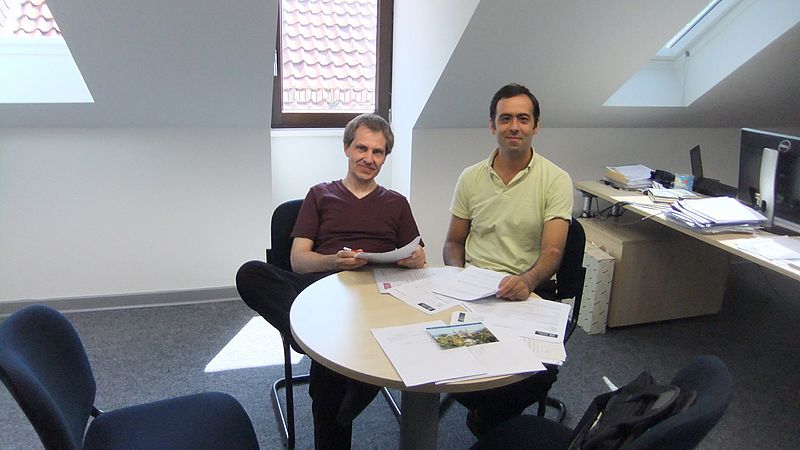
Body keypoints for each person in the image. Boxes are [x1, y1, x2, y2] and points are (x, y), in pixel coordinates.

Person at [236, 113, 425, 449]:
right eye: (362, 148)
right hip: (320, 290)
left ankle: (320, 345)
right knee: (250, 273)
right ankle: (307, 332)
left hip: (373, 296)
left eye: (378, 152)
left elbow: (417, 255)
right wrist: (333, 260)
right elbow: (298, 260)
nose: (369, 158)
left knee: (328, 378)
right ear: (347, 149)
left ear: (385, 157)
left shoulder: (396, 203)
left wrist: (414, 258)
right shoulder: (320, 195)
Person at [442, 82, 574, 435]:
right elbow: (453, 243)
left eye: (522, 118)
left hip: (527, 295)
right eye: (505, 118)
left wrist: (527, 281)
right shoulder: (470, 177)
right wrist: (457, 279)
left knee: (537, 371)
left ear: (535, 126)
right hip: (474, 297)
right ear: (492, 126)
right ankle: (489, 416)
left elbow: (552, 253)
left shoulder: (556, 180)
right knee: (443, 356)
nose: (514, 126)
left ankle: (488, 421)